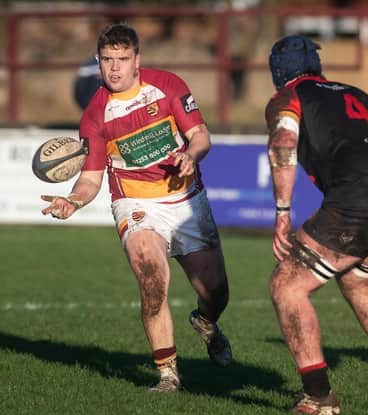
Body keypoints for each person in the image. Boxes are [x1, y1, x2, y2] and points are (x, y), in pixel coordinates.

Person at [40, 23, 232, 392]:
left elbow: (200, 136)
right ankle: (168, 374)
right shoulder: (95, 115)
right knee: (151, 278)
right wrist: (73, 200)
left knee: (216, 292)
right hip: (136, 203)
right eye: (107, 60)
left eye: (122, 59)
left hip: (186, 200)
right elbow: (92, 178)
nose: (114, 68)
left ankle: (207, 323)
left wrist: (192, 155)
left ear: (137, 60)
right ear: (98, 62)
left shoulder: (168, 86)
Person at [265, 35, 368, 415]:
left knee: (286, 285)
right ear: (316, 65)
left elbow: (285, 141)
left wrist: (282, 212)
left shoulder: (287, 97)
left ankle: (318, 396)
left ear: (277, 72)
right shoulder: (358, 95)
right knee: (358, 279)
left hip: (359, 199)